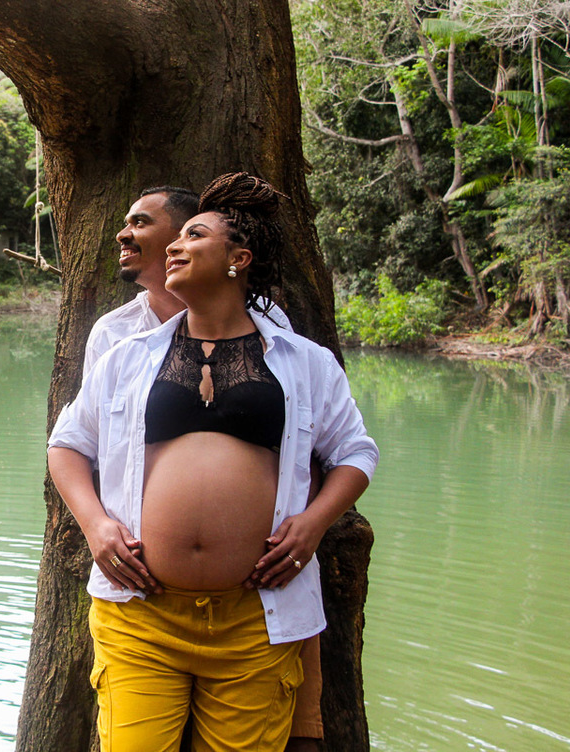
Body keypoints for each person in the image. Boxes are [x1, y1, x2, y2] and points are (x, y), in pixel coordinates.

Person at [48, 173, 378, 752]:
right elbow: (68, 444)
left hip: (256, 619)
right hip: (140, 615)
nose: (175, 245)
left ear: (238, 259)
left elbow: (354, 452)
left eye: (193, 235)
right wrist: (96, 526)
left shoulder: (303, 361)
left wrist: (313, 523)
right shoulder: (126, 354)